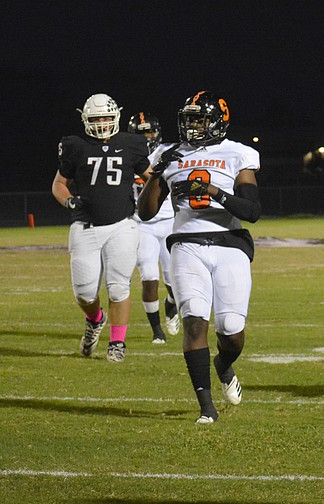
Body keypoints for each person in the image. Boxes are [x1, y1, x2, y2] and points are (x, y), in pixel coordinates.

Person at [137, 90, 261, 424]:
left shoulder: (237, 153)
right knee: (194, 321)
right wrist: (155, 174)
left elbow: (252, 211)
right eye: (189, 118)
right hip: (185, 244)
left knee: (232, 329)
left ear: (218, 122)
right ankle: (206, 408)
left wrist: (215, 192)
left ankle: (223, 364)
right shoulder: (169, 153)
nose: (192, 125)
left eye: (199, 118)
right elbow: (146, 213)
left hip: (229, 243)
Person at [52, 93, 151, 362]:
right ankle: (96, 319)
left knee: (119, 287)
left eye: (106, 117)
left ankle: (117, 343)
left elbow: (151, 178)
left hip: (122, 225)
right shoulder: (75, 145)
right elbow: (58, 184)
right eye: (96, 118)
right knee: (83, 292)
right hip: (85, 226)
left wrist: (160, 186)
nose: (102, 122)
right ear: (85, 119)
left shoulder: (132, 144)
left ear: (116, 116)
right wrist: (69, 202)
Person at [127, 112, 180, 344]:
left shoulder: (167, 152)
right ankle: (156, 331)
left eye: (150, 131)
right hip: (142, 224)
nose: (147, 136)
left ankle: (171, 303)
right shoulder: (126, 155)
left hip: (169, 221)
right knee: (149, 275)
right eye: (142, 133)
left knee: (173, 281)